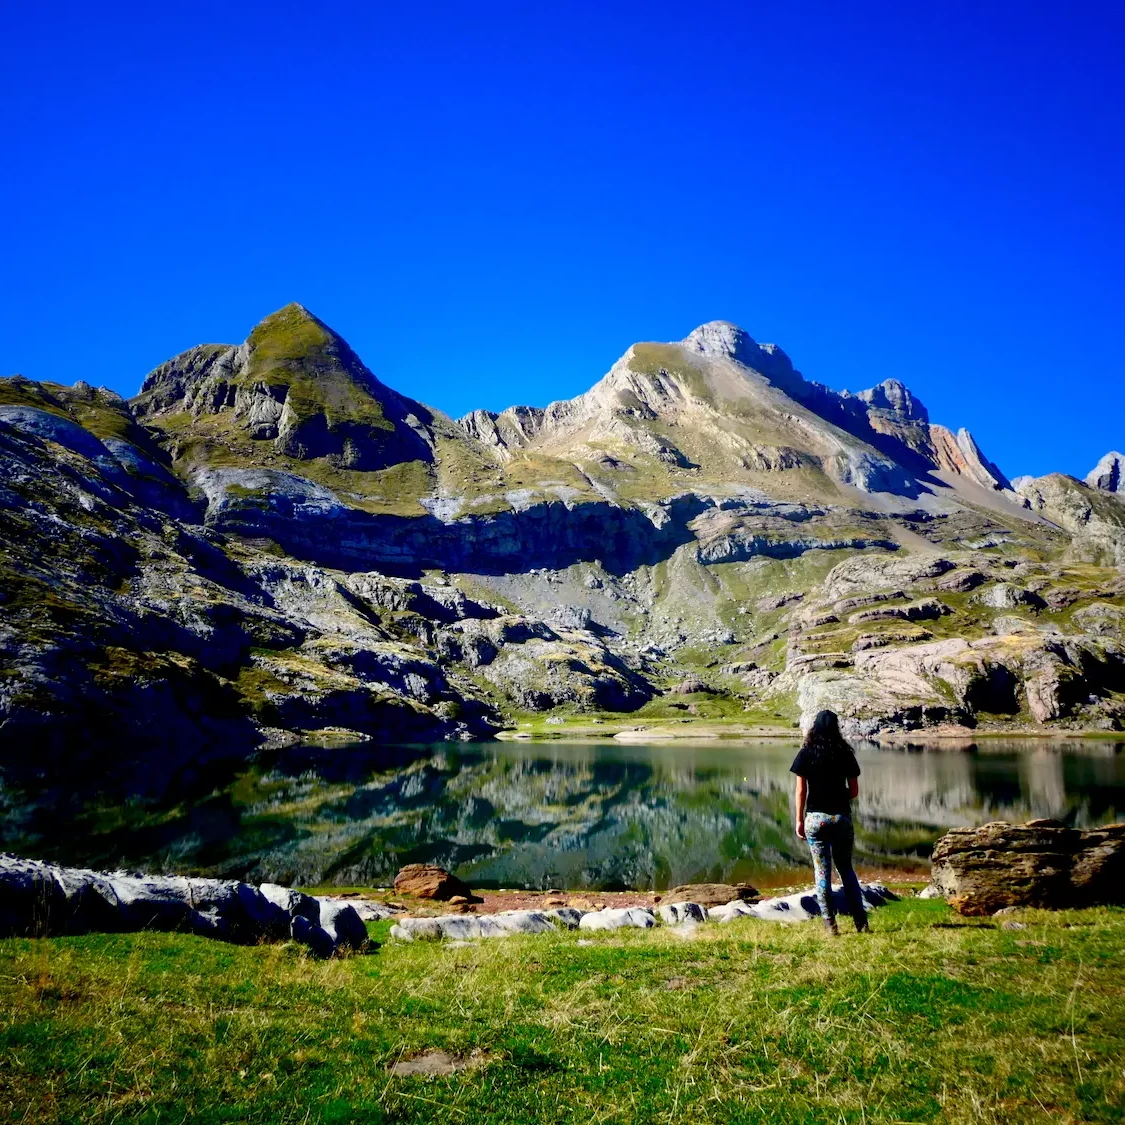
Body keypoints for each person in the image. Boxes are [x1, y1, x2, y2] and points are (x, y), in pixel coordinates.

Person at [790, 709, 869, 935]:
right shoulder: (845, 753)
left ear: (814, 727)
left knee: (822, 873)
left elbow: (801, 791)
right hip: (841, 818)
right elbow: (854, 791)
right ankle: (861, 923)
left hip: (815, 820)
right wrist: (838, 797)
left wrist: (799, 820)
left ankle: (830, 925)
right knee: (846, 869)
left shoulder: (806, 753)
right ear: (836, 728)